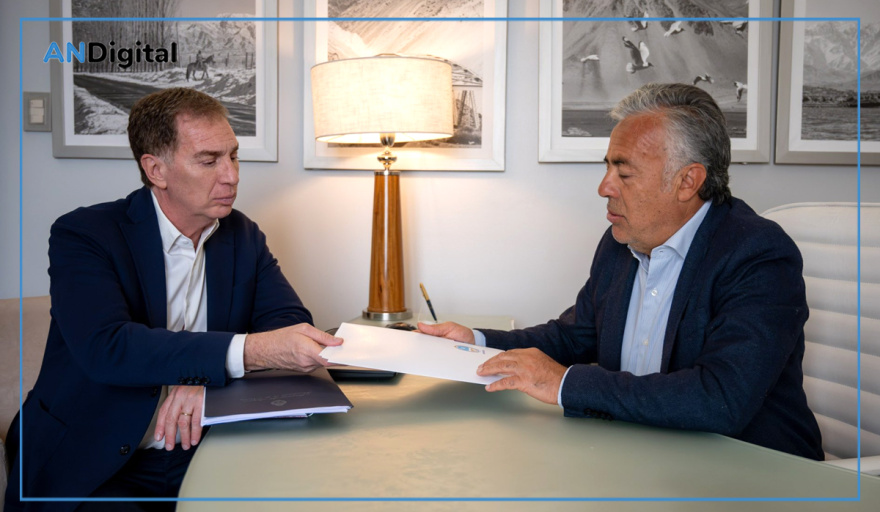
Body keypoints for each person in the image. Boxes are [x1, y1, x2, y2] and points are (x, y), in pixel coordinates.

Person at [420, 82, 824, 461]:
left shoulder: (758, 255)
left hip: (751, 470)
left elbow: (720, 399)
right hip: (644, 455)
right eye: (608, 168)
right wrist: (474, 342)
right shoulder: (621, 241)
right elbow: (574, 335)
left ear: (687, 181)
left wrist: (562, 383)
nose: (605, 187)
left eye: (624, 173)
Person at [4, 87, 342, 511]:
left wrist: (207, 385)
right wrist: (241, 354)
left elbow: (288, 325)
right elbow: (108, 347)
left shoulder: (242, 234)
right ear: (156, 170)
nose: (232, 176)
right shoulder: (85, 234)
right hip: (93, 457)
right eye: (209, 160)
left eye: (233, 156)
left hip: (202, 449)